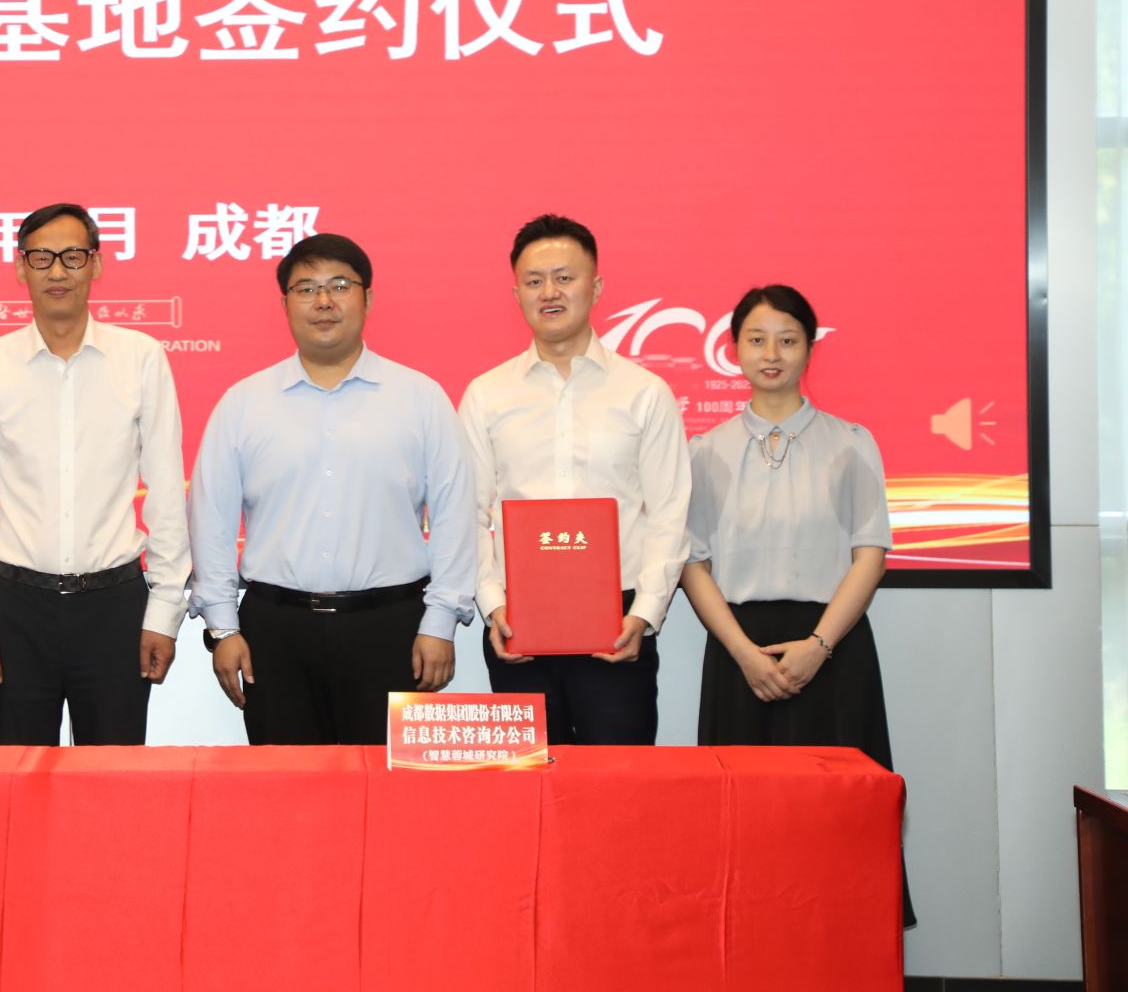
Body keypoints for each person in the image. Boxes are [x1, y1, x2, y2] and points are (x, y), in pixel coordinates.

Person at [681, 283, 914, 925]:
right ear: (733, 349)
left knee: (839, 821)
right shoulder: (703, 452)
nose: (772, 354)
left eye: (788, 339)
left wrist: (818, 646)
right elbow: (692, 563)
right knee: (743, 824)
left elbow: (870, 555)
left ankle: (846, 947)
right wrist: (741, 653)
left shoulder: (851, 442)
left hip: (832, 649)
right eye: (756, 339)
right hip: (740, 653)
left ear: (810, 348)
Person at [190, 233, 479, 745]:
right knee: (287, 785)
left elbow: (456, 515)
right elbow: (211, 521)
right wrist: (223, 627)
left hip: (391, 628)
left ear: (368, 298)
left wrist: (439, 621)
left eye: (340, 286)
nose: (323, 301)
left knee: (387, 787)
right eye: (306, 289)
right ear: (285, 304)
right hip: (274, 632)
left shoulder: (420, 398)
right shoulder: (244, 403)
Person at [0, 202, 190, 746]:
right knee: (17, 781)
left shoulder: (141, 358)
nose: (57, 271)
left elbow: (166, 493)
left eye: (73, 256)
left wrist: (164, 610)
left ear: (96, 264)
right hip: (14, 609)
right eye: (41, 257)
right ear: (20, 267)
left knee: (114, 782)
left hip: (115, 608)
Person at [458, 213, 690, 745]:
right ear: (516, 293)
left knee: (620, 783)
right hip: (519, 624)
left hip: (618, 626)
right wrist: (494, 606)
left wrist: (644, 614)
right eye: (534, 281)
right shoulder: (486, 395)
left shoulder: (644, 393)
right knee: (530, 783)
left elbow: (669, 513)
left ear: (596, 287)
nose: (550, 292)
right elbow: (467, 513)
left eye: (565, 277)